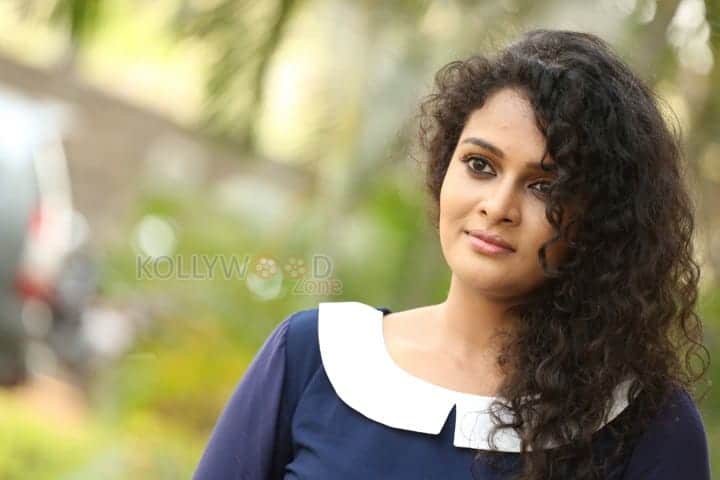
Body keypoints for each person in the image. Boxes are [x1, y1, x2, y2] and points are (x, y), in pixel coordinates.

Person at [193, 29, 712, 480]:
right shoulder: (315, 356)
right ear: (445, 168)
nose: (498, 206)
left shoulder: (645, 424)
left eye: (544, 186)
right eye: (480, 165)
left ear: (601, 219)